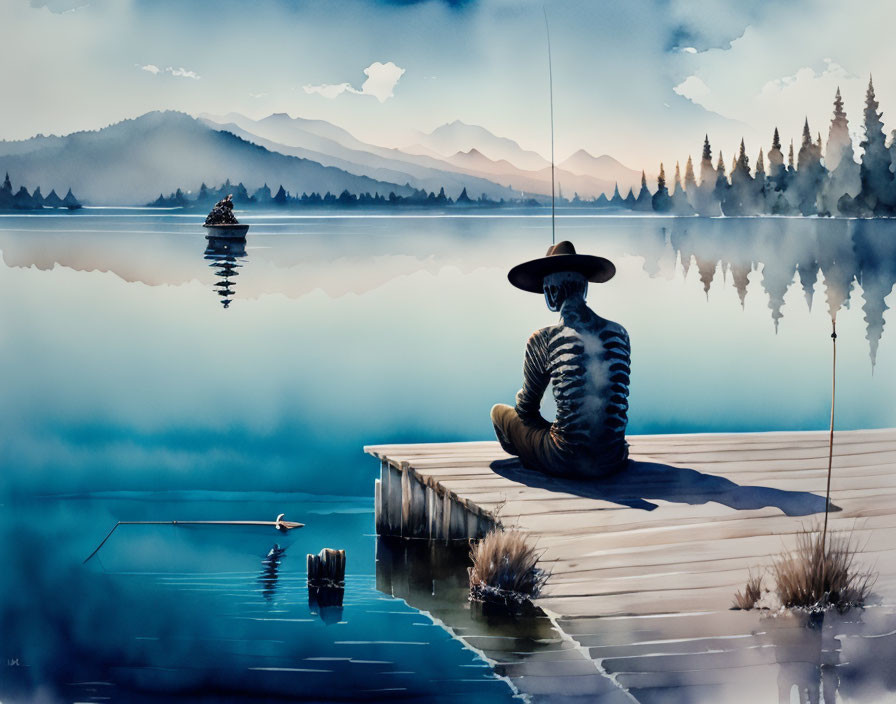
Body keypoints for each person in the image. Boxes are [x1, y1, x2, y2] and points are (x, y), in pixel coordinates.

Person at [491, 240, 631, 478]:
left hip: (565, 459)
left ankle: (536, 459)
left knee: (499, 413)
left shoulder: (545, 338)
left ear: (552, 292)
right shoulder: (619, 333)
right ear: (584, 289)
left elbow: (526, 408)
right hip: (613, 457)